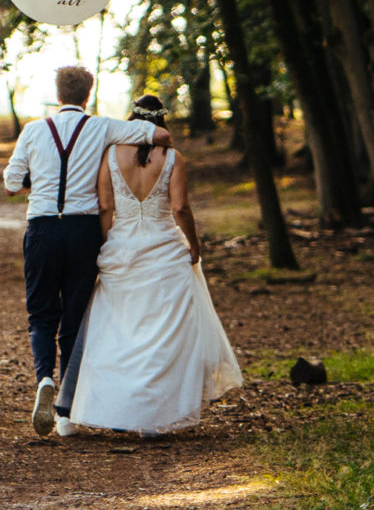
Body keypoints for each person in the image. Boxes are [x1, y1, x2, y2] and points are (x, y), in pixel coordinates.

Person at [55, 94, 242, 435]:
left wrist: (106, 245)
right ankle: (152, 418)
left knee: (119, 332)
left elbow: (106, 207)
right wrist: (194, 246)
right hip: (163, 250)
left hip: (122, 249)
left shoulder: (111, 155)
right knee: (161, 335)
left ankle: (118, 408)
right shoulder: (172, 158)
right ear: (163, 122)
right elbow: (180, 208)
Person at [3, 66, 171, 437]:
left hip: (43, 228)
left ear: (57, 93)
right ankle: (65, 411)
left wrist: (40, 181)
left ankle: (44, 377)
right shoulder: (103, 126)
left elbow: (12, 183)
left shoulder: (33, 130)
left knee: (42, 313)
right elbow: (159, 133)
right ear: (88, 94)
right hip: (83, 230)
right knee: (76, 317)